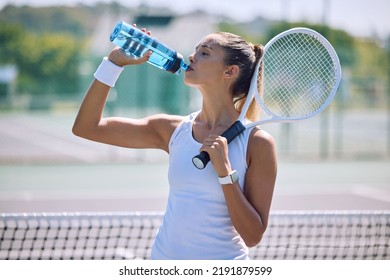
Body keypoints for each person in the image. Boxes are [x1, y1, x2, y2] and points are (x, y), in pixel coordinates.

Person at [72, 27, 277, 260]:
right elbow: (86, 127)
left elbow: (252, 236)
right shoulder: (171, 130)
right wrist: (114, 63)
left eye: (205, 53)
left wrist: (225, 173)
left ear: (229, 71)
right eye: (195, 50)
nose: (192, 56)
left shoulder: (258, 143)